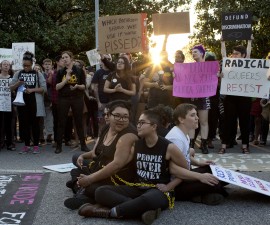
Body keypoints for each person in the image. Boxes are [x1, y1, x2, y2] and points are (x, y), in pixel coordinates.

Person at [77, 109, 219, 224]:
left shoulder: (168, 147)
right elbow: (118, 163)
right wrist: (91, 175)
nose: (137, 125)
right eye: (138, 122)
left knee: (147, 200)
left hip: (158, 190)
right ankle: (141, 210)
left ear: (153, 126)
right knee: (101, 191)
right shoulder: (137, 145)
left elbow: (184, 169)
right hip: (137, 187)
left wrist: (169, 186)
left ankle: (108, 213)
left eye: (142, 123)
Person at [64, 100, 138, 210]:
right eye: (117, 116)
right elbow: (96, 153)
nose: (121, 120)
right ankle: (84, 193)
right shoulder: (106, 128)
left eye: (125, 117)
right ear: (108, 115)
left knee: (94, 188)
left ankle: (83, 194)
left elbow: (116, 165)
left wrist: (89, 179)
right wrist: (83, 157)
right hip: (100, 167)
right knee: (76, 171)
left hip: (117, 178)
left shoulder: (128, 135)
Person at [165, 103, 228, 205]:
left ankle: (199, 195)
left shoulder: (183, 133)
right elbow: (173, 169)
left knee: (219, 172)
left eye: (196, 115)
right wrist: (200, 177)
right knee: (214, 183)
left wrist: (199, 163)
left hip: (184, 176)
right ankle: (199, 196)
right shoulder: (175, 138)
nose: (197, 118)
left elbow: (185, 156)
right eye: (192, 115)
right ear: (181, 119)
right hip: (176, 184)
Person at [218, 37, 253, 154]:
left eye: (236, 54)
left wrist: (249, 41)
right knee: (227, 121)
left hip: (244, 98)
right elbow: (224, 56)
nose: (233, 55)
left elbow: (249, 54)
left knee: (244, 122)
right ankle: (223, 145)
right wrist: (223, 42)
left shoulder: (248, 63)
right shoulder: (228, 64)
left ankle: (245, 146)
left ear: (243, 55)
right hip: (230, 97)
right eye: (232, 54)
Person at [9, 51, 46, 154]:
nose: (25, 67)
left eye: (28, 65)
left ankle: (35, 145)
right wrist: (17, 83)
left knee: (35, 124)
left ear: (32, 64)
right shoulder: (18, 73)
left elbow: (44, 88)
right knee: (24, 124)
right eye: (24, 65)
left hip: (35, 103)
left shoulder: (37, 74)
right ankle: (26, 145)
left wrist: (32, 90)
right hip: (22, 104)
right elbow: (10, 88)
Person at [55, 51, 89, 154]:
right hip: (63, 98)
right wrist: (66, 80)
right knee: (61, 122)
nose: (64, 59)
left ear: (71, 58)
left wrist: (77, 86)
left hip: (77, 98)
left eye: (66, 57)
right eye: (63, 57)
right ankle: (58, 146)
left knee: (78, 121)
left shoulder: (79, 71)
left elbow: (84, 86)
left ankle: (83, 145)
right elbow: (57, 87)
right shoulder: (60, 72)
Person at [181, 45, 211, 154]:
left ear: (202, 53)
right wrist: (176, 75)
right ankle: (191, 144)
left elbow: (213, 78)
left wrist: (217, 75)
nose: (193, 54)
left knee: (203, 121)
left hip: (204, 96)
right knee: (192, 120)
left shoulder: (209, 66)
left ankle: (203, 144)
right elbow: (183, 79)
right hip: (192, 97)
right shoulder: (190, 67)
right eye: (192, 52)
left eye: (196, 52)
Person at [0, 60, 16, 151]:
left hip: (9, 103)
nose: (6, 66)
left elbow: (15, 91)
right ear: (1, 67)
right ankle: (1, 142)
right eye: (4, 64)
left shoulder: (12, 79)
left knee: (9, 124)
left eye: (7, 65)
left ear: (9, 67)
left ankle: (10, 143)